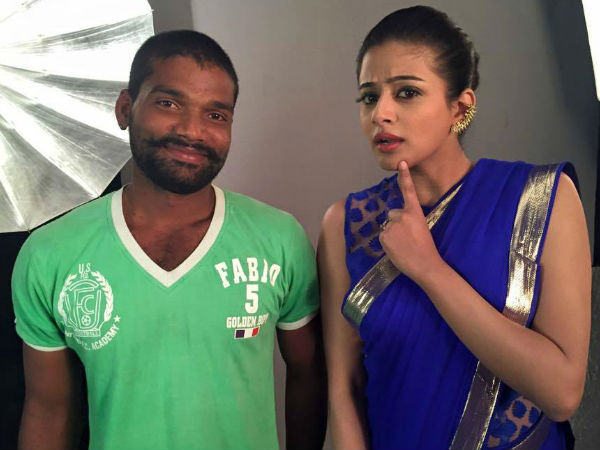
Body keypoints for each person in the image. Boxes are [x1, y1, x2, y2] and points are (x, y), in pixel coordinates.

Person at [12, 30, 326, 450]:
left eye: (216, 115)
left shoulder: (279, 239)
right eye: (168, 103)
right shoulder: (50, 254)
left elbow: (308, 375)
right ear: (126, 109)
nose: (192, 131)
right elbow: (49, 411)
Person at [318, 6, 591, 450]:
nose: (381, 113)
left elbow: (562, 394)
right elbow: (344, 389)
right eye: (369, 97)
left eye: (406, 92)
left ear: (459, 107)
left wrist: (429, 269)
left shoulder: (543, 197)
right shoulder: (347, 224)